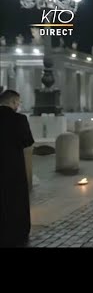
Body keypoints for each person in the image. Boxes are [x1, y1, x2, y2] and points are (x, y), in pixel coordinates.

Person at [0, 90, 34, 247]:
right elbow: (27, 141)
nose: (19, 105)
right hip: (13, 166)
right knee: (16, 199)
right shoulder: (19, 119)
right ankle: (17, 231)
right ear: (12, 102)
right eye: (18, 102)